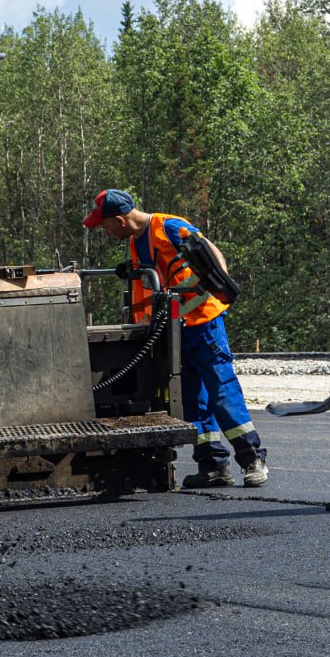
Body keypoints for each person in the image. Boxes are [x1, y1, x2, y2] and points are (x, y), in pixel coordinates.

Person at [83, 189, 268, 488]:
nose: (104, 231)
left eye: (104, 226)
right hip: (175, 329)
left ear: (119, 219)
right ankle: (213, 465)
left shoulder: (168, 227)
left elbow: (213, 255)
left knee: (222, 390)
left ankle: (252, 458)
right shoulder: (135, 241)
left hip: (204, 323)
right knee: (194, 397)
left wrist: (219, 285)